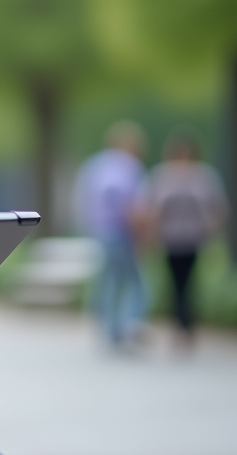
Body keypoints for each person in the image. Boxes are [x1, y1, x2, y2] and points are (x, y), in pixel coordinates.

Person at [142, 133, 228, 347]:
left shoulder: (204, 176)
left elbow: (217, 208)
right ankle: (180, 325)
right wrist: (150, 235)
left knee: (189, 283)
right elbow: (150, 208)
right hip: (170, 239)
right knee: (174, 284)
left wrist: (213, 231)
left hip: (193, 238)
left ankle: (187, 325)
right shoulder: (162, 176)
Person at [75, 121, 148, 348]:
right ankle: (130, 323)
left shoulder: (94, 166)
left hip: (100, 231)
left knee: (108, 282)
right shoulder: (130, 167)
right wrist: (142, 234)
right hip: (122, 232)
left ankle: (109, 328)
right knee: (135, 283)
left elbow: (83, 200)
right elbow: (132, 205)